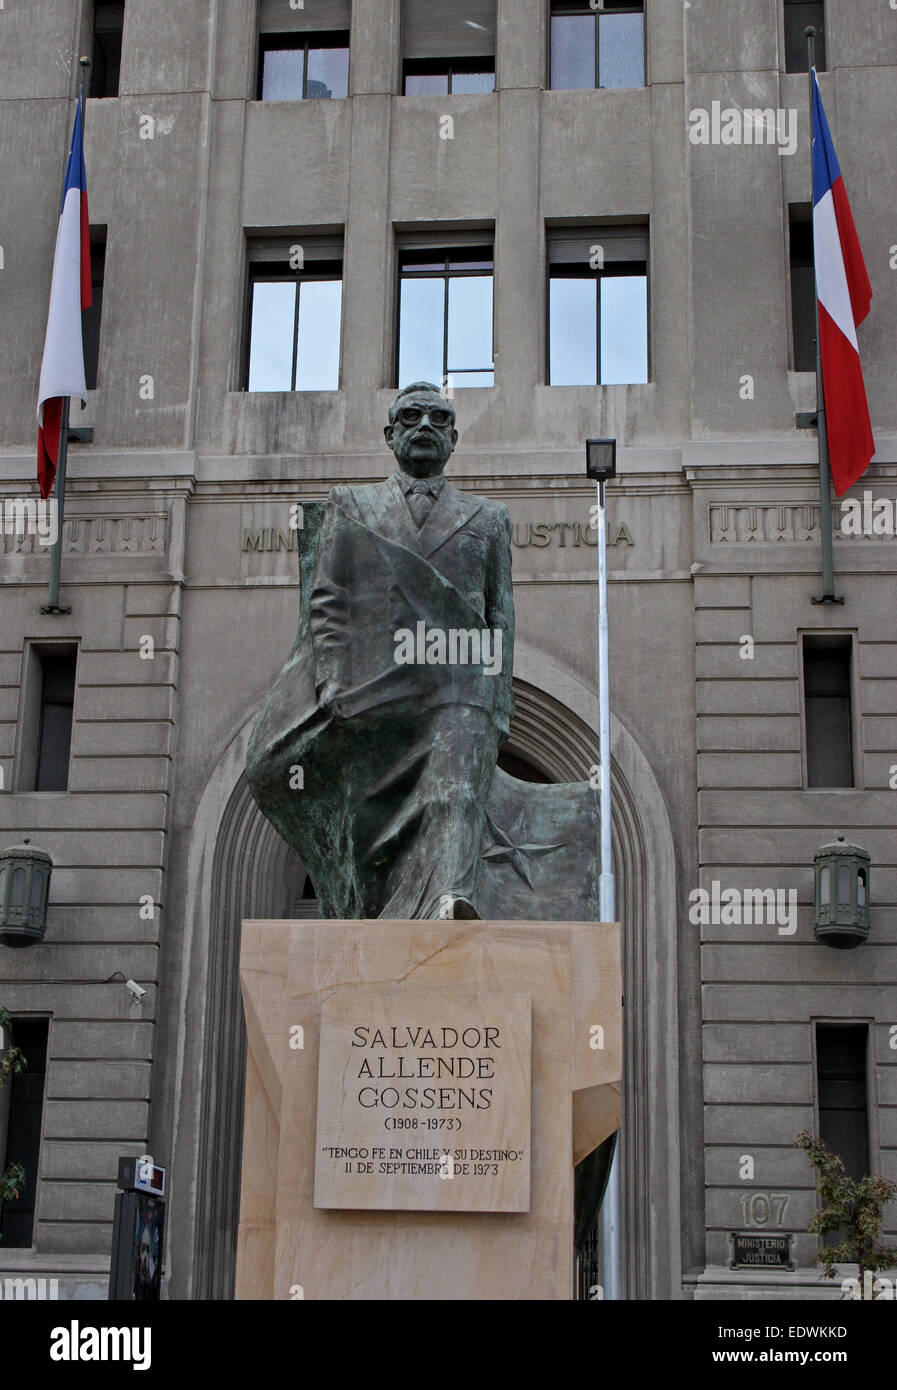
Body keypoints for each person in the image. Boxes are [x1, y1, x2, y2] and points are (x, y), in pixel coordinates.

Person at [247, 382, 514, 920]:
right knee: (362, 821)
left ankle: (449, 898)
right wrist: (330, 681)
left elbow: (499, 616)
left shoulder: (489, 518)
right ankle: (371, 908)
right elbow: (328, 598)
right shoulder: (351, 504)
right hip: (374, 686)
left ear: (454, 438)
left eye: (438, 419)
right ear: (390, 434)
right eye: (411, 416)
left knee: (454, 791)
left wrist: (496, 707)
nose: (425, 427)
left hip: (455, 685)